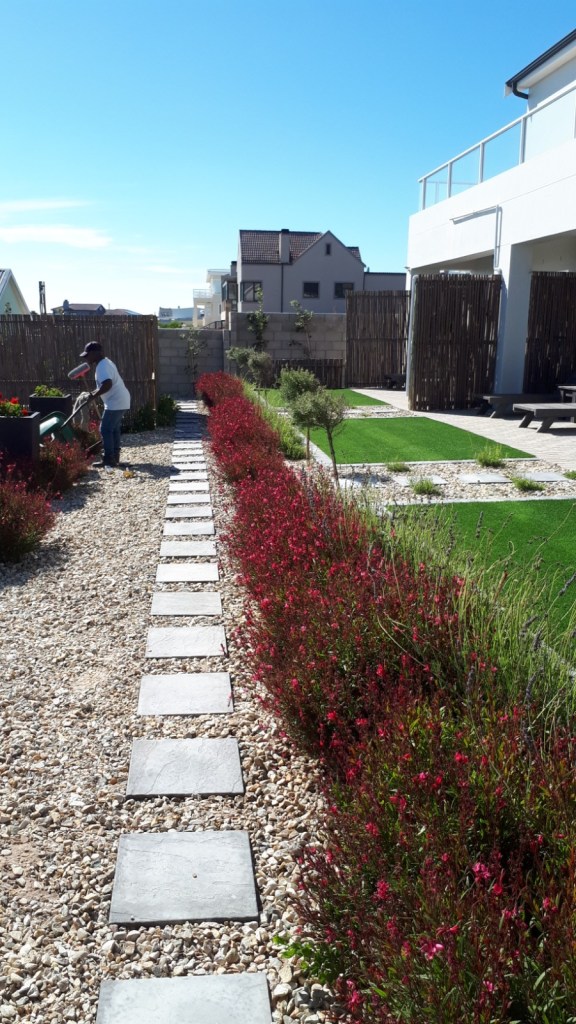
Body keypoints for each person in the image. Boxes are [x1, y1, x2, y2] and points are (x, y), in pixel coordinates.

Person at [79, 342, 130, 468]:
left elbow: (107, 384)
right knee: (114, 429)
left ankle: (109, 459)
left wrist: (94, 396)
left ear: (96, 353)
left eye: (88, 355)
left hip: (115, 402)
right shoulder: (107, 362)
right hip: (121, 400)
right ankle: (115, 458)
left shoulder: (102, 366)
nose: (86, 358)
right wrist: (93, 393)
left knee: (105, 429)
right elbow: (105, 385)